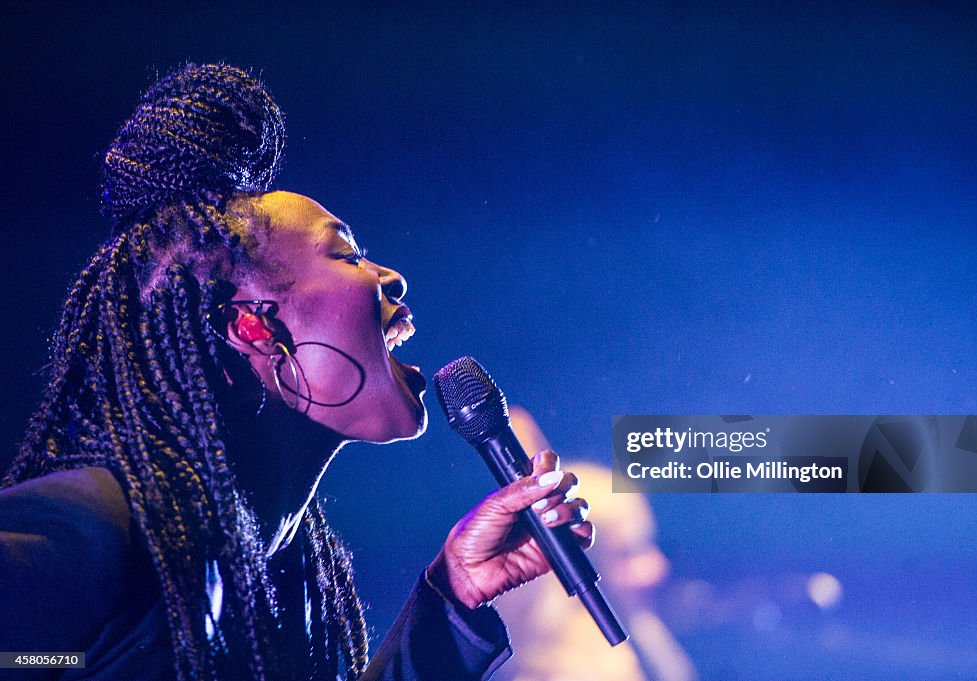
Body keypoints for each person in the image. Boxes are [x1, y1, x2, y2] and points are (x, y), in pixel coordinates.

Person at [0, 63, 592, 681]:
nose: (391, 277)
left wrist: (455, 592)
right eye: (347, 254)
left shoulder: (296, 572)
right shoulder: (101, 527)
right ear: (254, 327)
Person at [494, 408, 698, 681]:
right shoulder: (584, 672)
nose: (656, 567)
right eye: (627, 553)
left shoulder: (639, 647)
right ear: (570, 569)